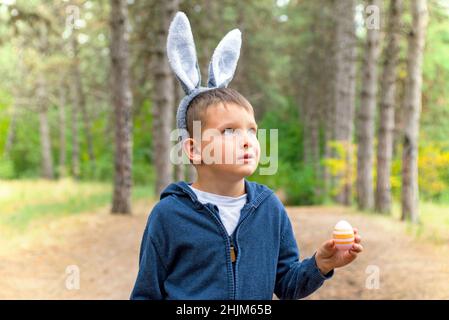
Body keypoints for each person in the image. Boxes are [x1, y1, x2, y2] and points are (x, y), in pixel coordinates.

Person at [130, 12, 363, 300]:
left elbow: (287, 284)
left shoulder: (268, 208)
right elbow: (146, 294)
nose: (247, 141)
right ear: (192, 149)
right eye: (229, 132)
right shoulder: (169, 216)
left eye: (252, 131)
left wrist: (321, 263)